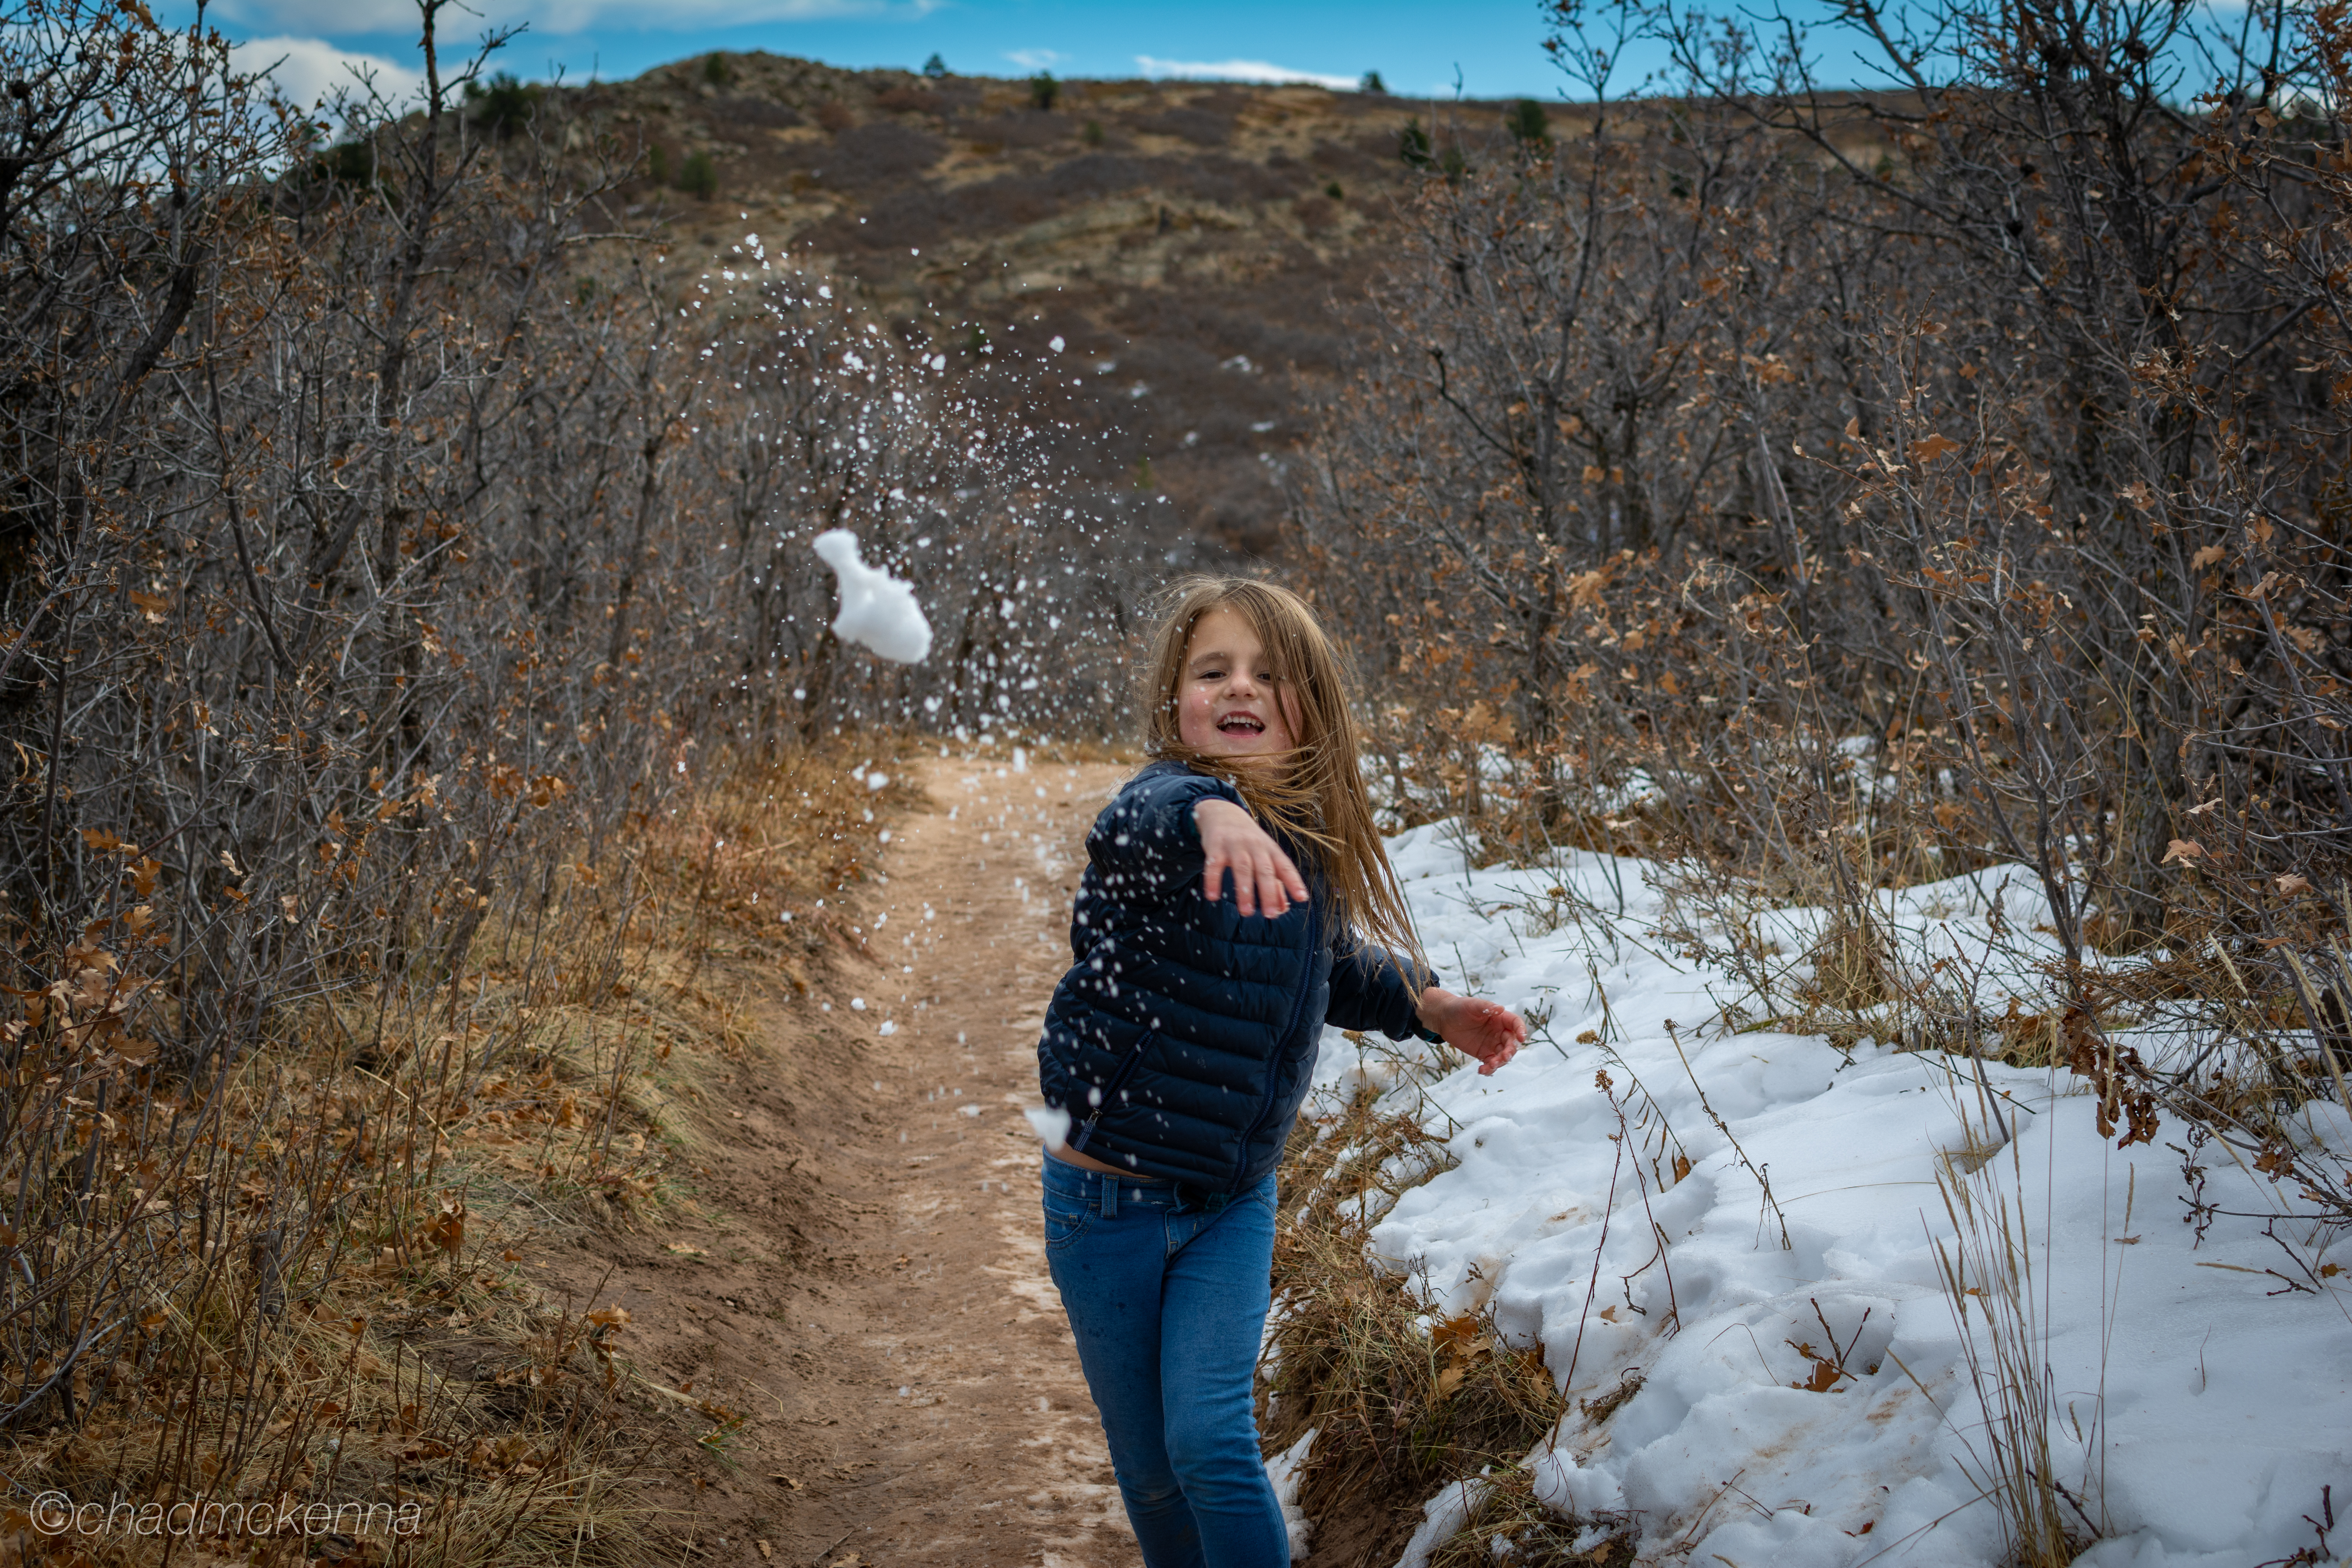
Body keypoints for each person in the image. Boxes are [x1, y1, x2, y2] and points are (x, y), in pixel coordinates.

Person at [1034, 577, 1529, 1568]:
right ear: (1176, 699)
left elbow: (1326, 964)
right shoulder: (1163, 811)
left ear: (1308, 704)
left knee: (1210, 1442)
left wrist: (1428, 1005)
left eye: (1266, 673)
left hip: (1232, 1198)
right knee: (1153, 1468)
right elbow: (1147, 815)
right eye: (1212, 670)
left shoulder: (1299, 836)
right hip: (1107, 1198)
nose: (1238, 687)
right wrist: (1211, 816)